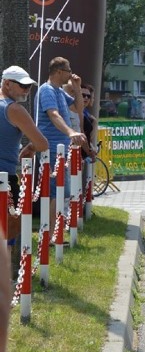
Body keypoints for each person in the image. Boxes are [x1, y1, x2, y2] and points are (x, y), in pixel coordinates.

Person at [36, 57, 89, 234]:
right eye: (68, 70)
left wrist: (77, 88)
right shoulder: (47, 90)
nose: (70, 72)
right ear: (59, 71)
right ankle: (50, 234)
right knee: (55, 192)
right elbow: (53, 114)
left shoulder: (59, 91)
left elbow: (78, 108)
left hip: (60, 150)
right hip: (51, 148)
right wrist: (70, 132)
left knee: (61, 192)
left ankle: (53, 233)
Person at [1, 66, 50, 251]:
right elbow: (42, 143)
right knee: (9, 232)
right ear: (7, 84)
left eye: (29, 86)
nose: (27, 90)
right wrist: (30, 147)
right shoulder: (14, 109)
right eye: (22, 85)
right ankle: (6, 277)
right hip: (4, 176)